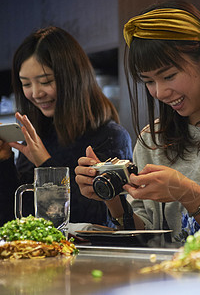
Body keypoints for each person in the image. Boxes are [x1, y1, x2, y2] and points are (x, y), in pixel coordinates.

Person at [75, 0, 200, 241]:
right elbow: (146, 235)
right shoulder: (152, 139)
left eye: (169, 76)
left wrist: (189, 194)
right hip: (161, 276)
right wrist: (110, 196)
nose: (160, 93)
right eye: (149, 81)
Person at [0, 26, 133, 226]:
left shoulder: (111, 137)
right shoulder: (39, 135)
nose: (36, 93)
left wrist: (45, 164)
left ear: (72, 78)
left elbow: (99, 222)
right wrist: (4, 161)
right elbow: (18, 219)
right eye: (26, 84)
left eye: (45, 81)